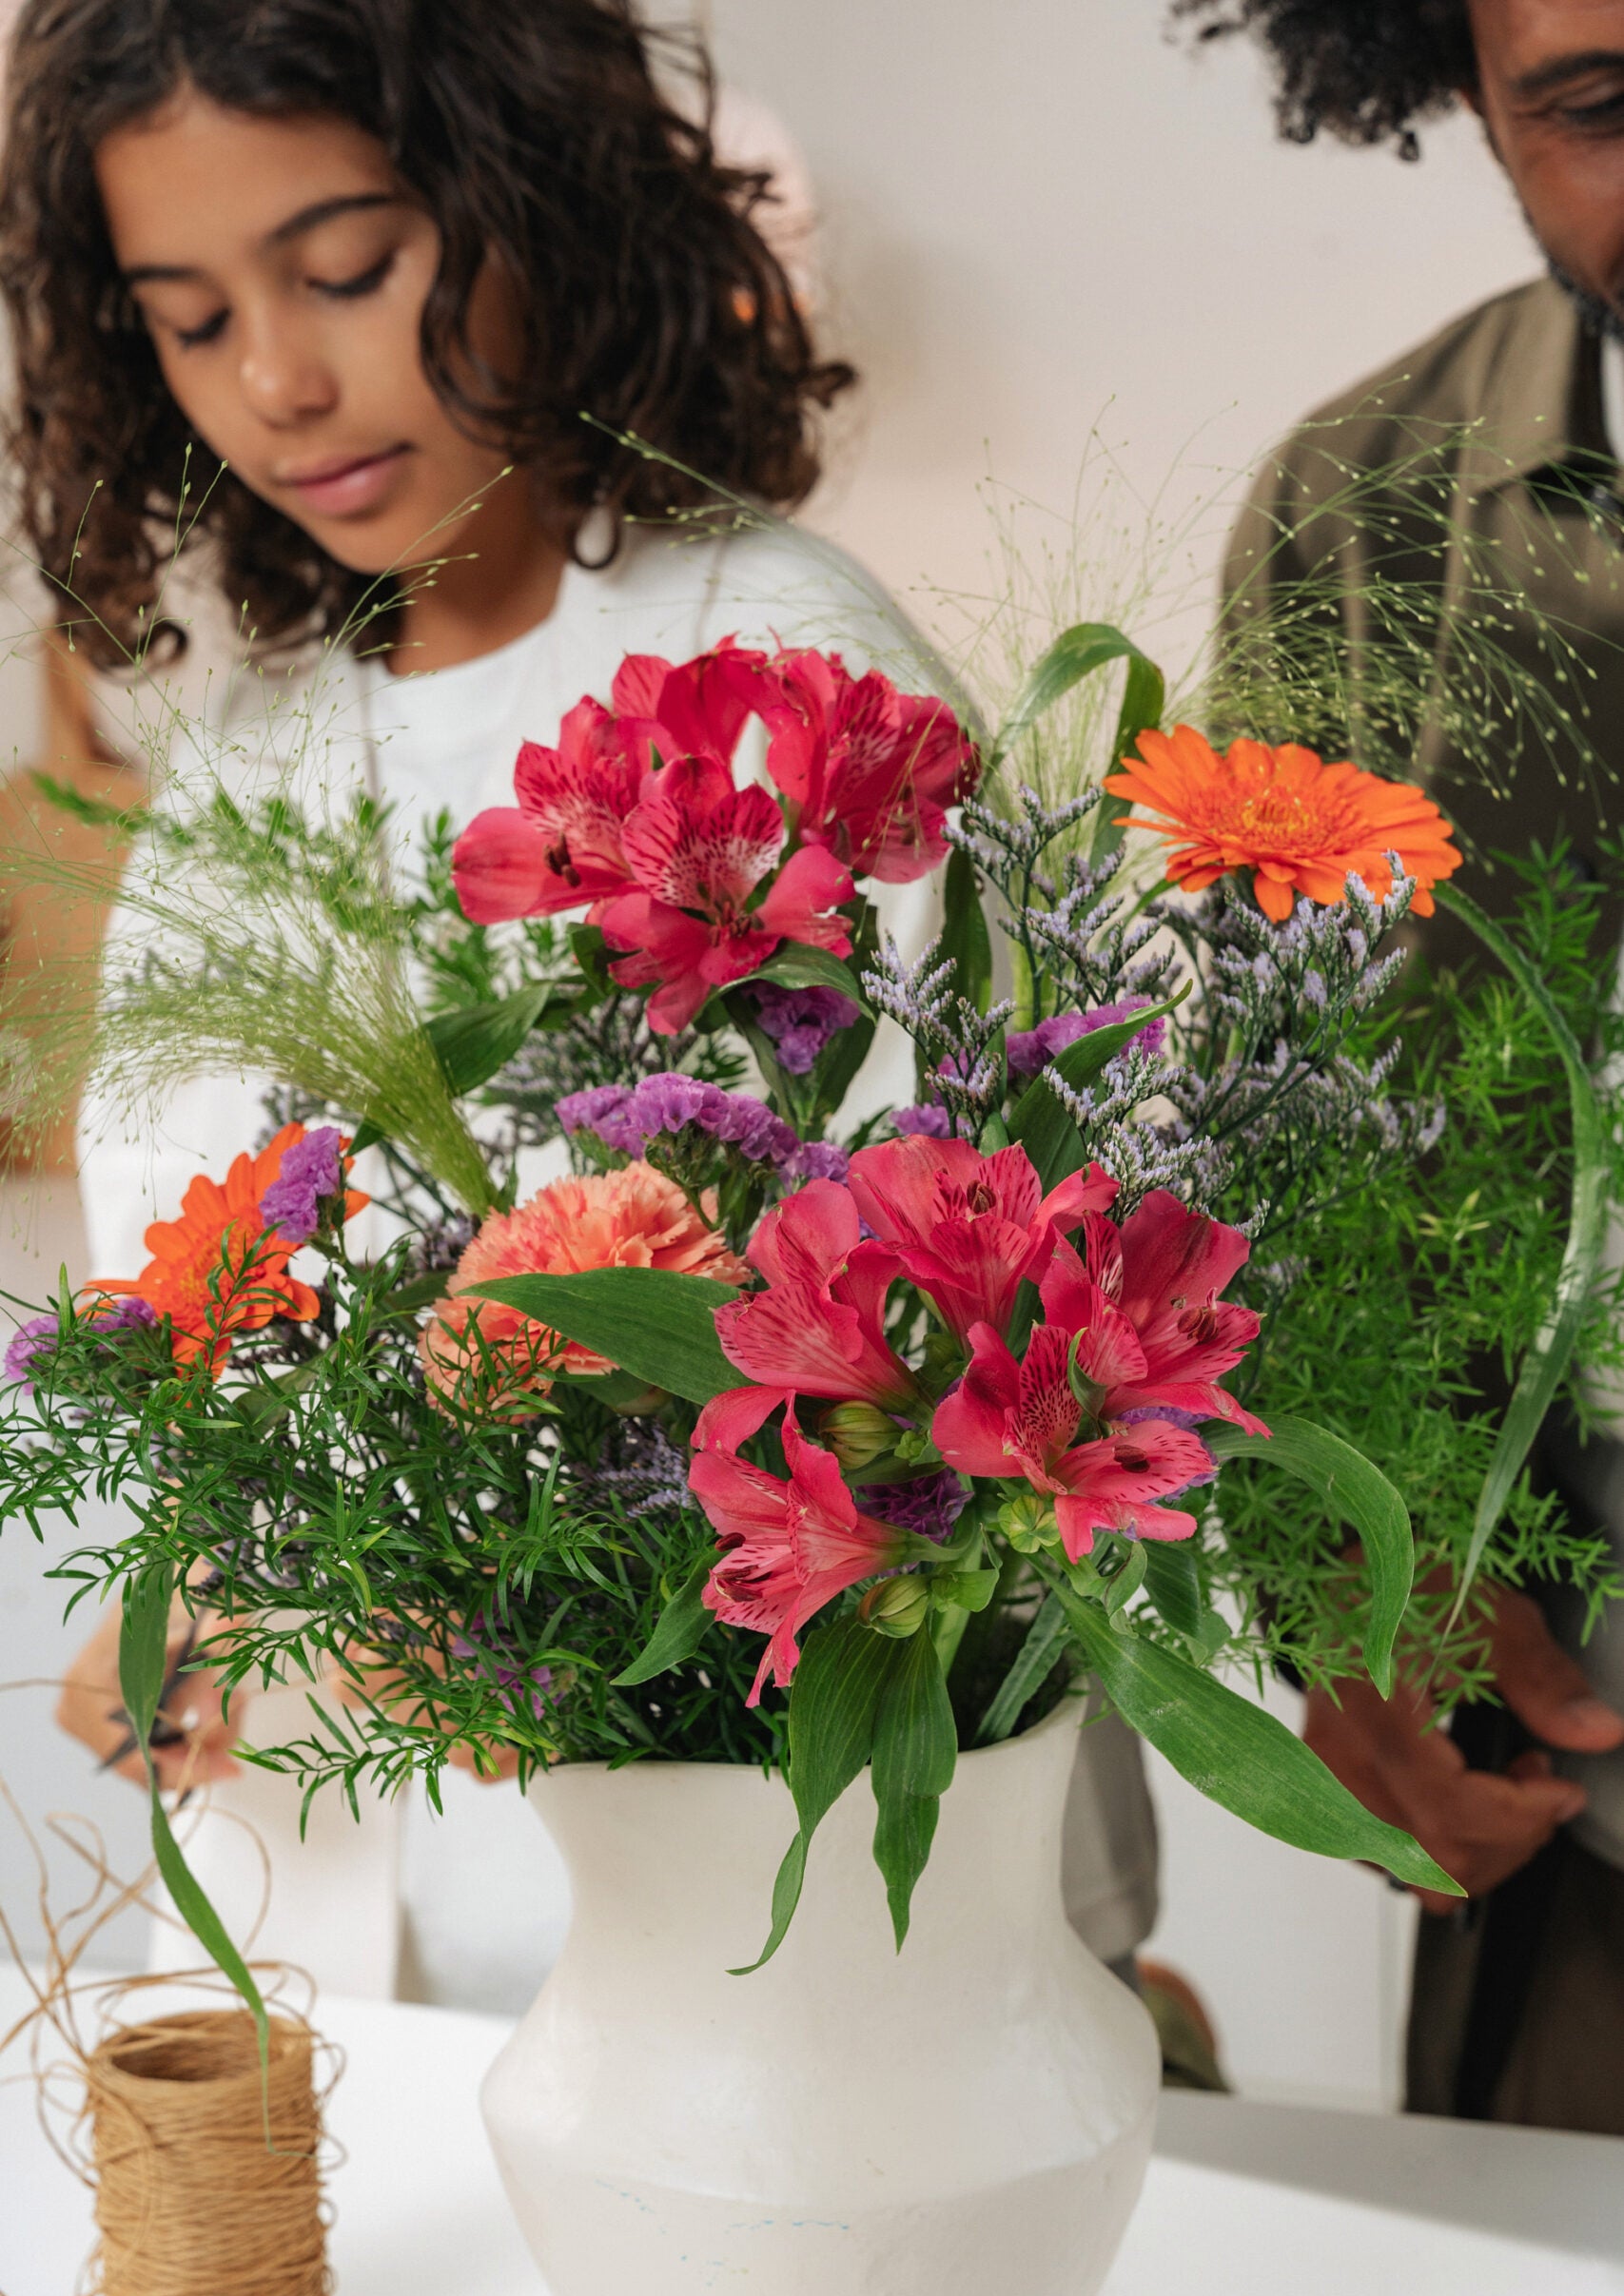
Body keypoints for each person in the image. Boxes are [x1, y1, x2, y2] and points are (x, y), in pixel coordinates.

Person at [0, 0, 1160, 2014]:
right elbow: (186, 1279)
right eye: (189, 319)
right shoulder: (251, 767)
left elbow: (930, 1312)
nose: (278, 380)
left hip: (777, 1902)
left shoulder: (787, 664)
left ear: (532, 201)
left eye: (346, 268)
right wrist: (197, 1561)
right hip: (374, 1926)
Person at [1183, 0, 1624, 2131]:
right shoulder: (1362, 521)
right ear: (1462, 94)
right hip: (1581, 1827)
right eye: (1605, 105)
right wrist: (1331, 1581)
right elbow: (1261, 1135)